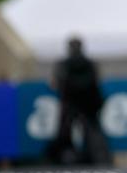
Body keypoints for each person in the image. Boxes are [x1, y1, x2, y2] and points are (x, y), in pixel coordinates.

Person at [47, 37, 110, 165]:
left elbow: (56, 83)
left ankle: (66, 160)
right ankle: (96, 160)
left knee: (76, 134)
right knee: (78, 134)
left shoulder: (65, 65)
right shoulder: (88, 64)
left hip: (80, 105)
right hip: (82, 105)